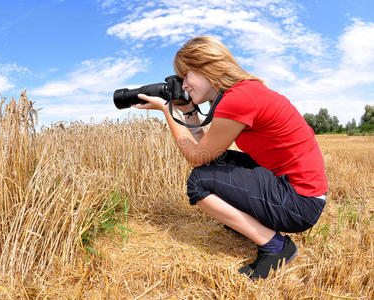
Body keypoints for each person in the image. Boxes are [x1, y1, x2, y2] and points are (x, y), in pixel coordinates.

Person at [133, 35, 328, 279]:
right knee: (216, 163)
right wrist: (189, 112)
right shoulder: (243, 92)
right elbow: (206, 150)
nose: (183, 86)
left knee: (198, 182)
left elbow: (196, 157)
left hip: (300, 203)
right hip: (299, 190)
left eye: (186, 76)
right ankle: (252, 225)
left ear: (207, 67)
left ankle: (276, 247)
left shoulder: (238, 100)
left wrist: (166, 110)